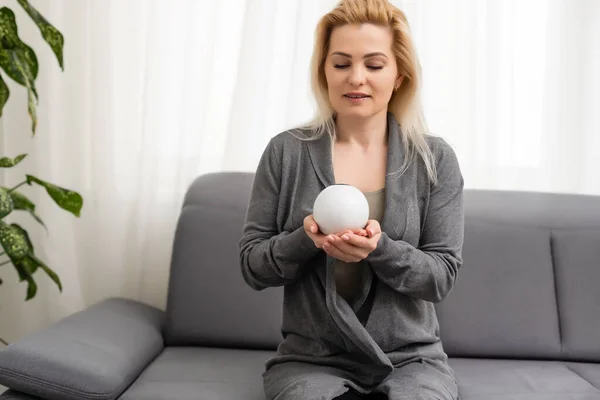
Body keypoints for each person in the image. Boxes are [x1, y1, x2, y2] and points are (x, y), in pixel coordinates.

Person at [239, 0, 464, 398]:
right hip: (311, 360)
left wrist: (380, 248)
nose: (356, 78)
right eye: (341, 64)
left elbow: (440, 277)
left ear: (399, 76)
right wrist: (305, 239)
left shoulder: (435, 159)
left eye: (374, 65)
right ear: (324, 72)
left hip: (411, 361)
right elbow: (253, 268)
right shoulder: (286, 152)